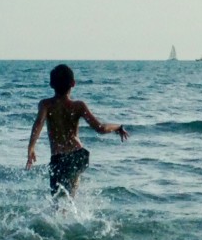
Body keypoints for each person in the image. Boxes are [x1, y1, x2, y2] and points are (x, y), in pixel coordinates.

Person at [26, 64, 129, 197]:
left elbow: (38, 124)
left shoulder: (46, 105)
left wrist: (31, 148)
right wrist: (117, 127)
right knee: (69, 194)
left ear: (51, 84)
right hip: (79, 155)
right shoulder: (78, 106)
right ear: (73, 83)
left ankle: (69, 209)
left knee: (58, 201)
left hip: (59, 159)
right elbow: (100, 128)